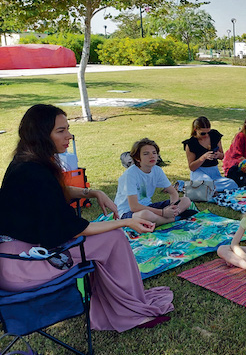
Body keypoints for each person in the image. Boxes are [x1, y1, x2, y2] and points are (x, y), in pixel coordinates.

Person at [0, 104, 173, 332]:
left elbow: (56, 191)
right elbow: (75, 229)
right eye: (60, 131)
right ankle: (129, 311)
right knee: (113, 238)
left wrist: (92, 192)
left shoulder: (25, 162)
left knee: (110, 236)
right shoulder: (34, 173)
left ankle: (120, 302)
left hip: (13, 259)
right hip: (25, 265)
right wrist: (126, 221)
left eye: (68, 129)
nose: (69, 136)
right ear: (41, 134)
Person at [115, 138, 194, 224]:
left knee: (186, 200)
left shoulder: (157, 170)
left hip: (148, 207)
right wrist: (163, 213)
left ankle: (167, 217)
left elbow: (173, 192)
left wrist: (172, 208)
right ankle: (173, 219)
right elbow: (134, 207)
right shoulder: (130, 174)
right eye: (146, 154)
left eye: (154, 153)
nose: (152, 156)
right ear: (137, 158)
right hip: (127, 212)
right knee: (146, 215)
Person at [182, 116, 237, 192]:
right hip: (199, 172)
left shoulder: (214, 135)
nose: (206, 135)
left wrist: (218, 155)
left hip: (214, 171)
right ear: (195, 130)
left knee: (232, 183)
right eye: (203, 133)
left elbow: (222, 156)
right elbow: (192, 167)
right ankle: (206, 188)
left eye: (208, 132)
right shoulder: (191, 143)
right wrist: (203, 157)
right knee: (207, 183)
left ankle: (207, 189)